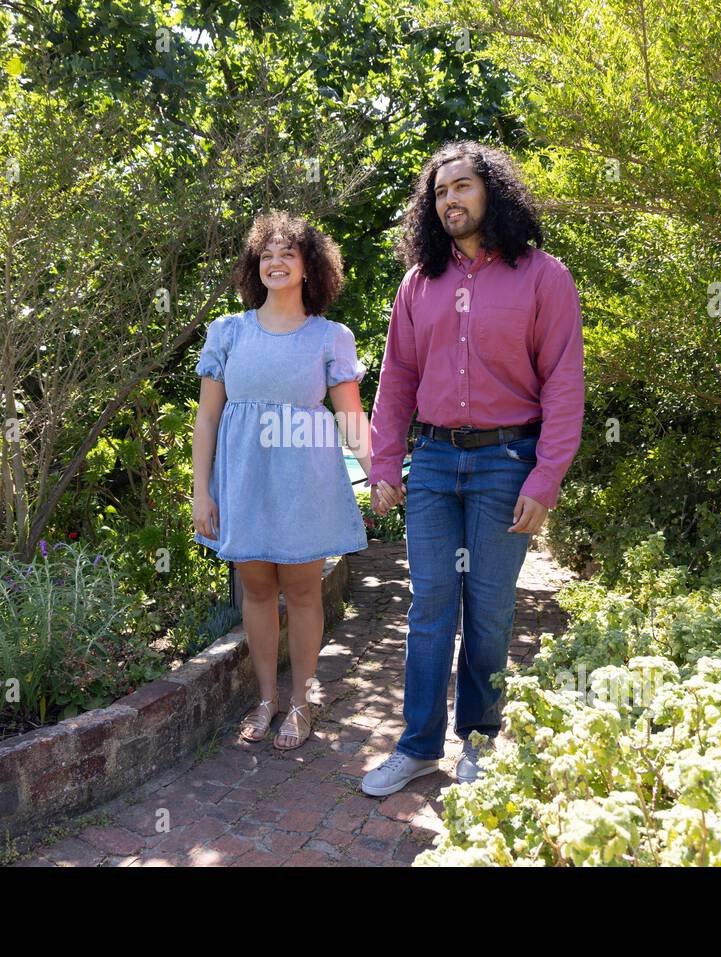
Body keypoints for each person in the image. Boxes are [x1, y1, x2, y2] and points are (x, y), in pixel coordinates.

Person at [361, 141, 585, 796]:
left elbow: (564, 387)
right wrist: (384, 462)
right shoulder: (418, 284)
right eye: (439, 192)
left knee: (488, 610)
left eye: (463, 186)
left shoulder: (544, 277)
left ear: (493, 192)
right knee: (430, 603)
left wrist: (545, 478)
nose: (451, 199)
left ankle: (480, 741)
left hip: (505, 463)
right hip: (431, 462)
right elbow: (397, 380)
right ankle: (418, 745)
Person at [191, 210, 372, 751]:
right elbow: (207, 419)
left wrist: (378, 469)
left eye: (287, 253)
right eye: (266, 254)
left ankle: (301, 702)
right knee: (257, 589)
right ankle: (266, 698)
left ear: (310, 268)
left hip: (305, 480)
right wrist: (201, 491)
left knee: (302, 592)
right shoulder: (228, 331)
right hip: (243, 479)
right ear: (255, 265)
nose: (275, 262)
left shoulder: (330, 337)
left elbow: (350, 418)